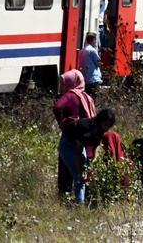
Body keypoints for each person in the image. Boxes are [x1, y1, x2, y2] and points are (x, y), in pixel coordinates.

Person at [53, 69, 96, 202]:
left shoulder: (70, 95)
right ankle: (82, 202)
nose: (63, 86)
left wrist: (64, 123)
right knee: (82, 171)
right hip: (82, 140)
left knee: (77, 174)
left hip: (70, 139)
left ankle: (78, 203)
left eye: (65, 82)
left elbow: (57, 107)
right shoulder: (86, 97)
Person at [59, 109, 117, 202]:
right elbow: (78, 152)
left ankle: (86, 200)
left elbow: (95, 148)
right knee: (79, 176)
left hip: (79, 145)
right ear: (100, 121)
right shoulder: (87, 128)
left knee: (86, 174)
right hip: (68, 145)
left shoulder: (100, 131)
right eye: (105, 124)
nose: (107, 128)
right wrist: (81, 171)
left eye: (109, 126)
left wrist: (91, 166)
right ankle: (80, 204)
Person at [78, 32, 103, 97]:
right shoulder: (92, 50)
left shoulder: (82, 51)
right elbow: (98, 63)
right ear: (94, 40)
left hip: (85, 78)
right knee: (93, 98)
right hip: (93, 78)